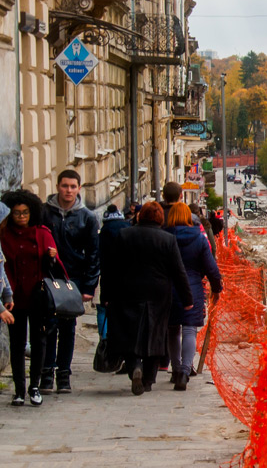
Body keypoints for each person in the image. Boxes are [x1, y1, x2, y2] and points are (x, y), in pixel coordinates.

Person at [113, 203, 192, 395]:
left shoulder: (125, 235)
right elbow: (178, 271)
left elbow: (113, 266)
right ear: (159, 219)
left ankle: (134, 366)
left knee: (131, 331)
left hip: (129, 289)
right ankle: (148, 379)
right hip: (158, 292)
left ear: (140, 217)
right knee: (156, 333)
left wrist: (108, 294)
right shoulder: (167, 239)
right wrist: (187, 298)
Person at [42, 169, 100, 393]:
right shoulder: (45, 213)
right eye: (65, 186)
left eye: (73, 187)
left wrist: (89, 286)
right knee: (48, 327)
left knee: (68, 328)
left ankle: (63, 375)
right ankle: (46, 373)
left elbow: (94, 254)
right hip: (48, 277)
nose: (68, 190)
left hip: (73, 279)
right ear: (58, 186)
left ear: (78, 189)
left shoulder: (86, 216)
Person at [0, 191, 58, 406]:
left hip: (38, 295)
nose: (21, 217)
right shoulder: (4, 235)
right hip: (13, 298)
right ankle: (18, 390)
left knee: (39, 341)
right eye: (16, 213)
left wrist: (51, 258)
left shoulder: (41, 233)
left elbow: (53, 268)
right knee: (16, 344)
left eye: (25, 212)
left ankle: (35, 386)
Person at [164, 203, 221, 390]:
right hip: (193, 287)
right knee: (189, 329)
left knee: (172, 329)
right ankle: (185, 371)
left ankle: (175, 368)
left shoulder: (164, 236)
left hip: (168, 288)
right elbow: (211, 267)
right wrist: (216, 287)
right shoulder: (198, 238)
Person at [99, 204, 131, 375]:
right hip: (130, 282)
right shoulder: (128, 227)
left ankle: (112, 352)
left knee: (112, 319)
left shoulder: (105, 232)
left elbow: (103, 263)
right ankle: (129, 358)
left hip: (112, 281)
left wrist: (104, 293)